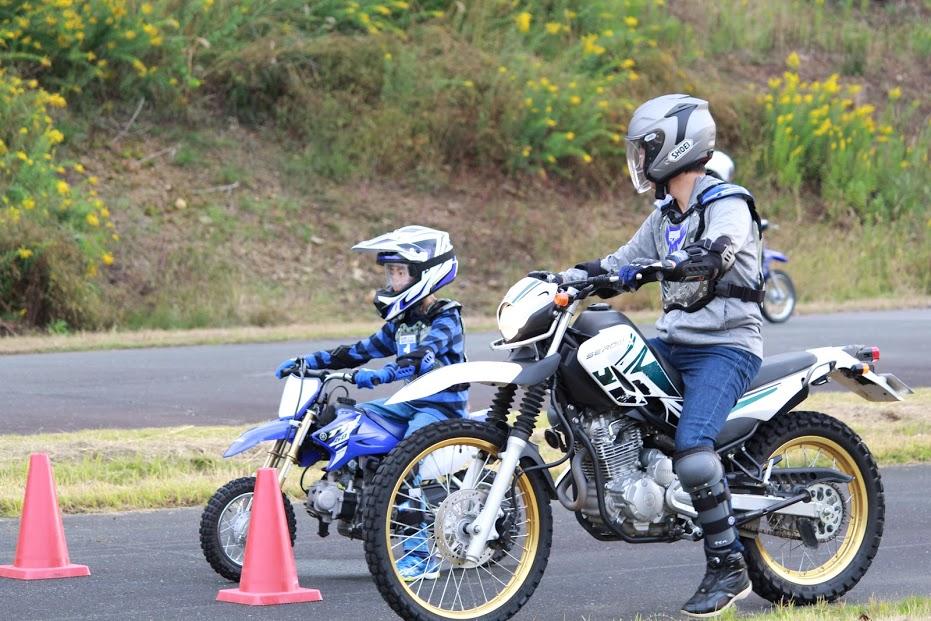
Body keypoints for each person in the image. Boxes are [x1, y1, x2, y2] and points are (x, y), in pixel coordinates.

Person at [540, 94, 765, 617]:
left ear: (675, 147)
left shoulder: (727, 202)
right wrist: (567, 279)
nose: (639, 160)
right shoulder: (665, 214)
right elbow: (619, 262)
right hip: (674, 341)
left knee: (691, 445)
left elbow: (717, 253)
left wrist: (664, 268)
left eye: (646, 149)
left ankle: (728, 565)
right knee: (592, 374)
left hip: (725, 348)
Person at [274, 225, 466, 582]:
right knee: (355, 421)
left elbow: (422, 359)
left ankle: (420, 554)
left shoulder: (445, 317)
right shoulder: (402, 323)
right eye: (389, 272)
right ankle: (366, 496)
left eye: (398, 273)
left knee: (407, 461)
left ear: (425, 274)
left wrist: (378, 376)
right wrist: (309, 362)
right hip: (409, 402)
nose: (392, 280)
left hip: (440, 405)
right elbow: (357, 352)